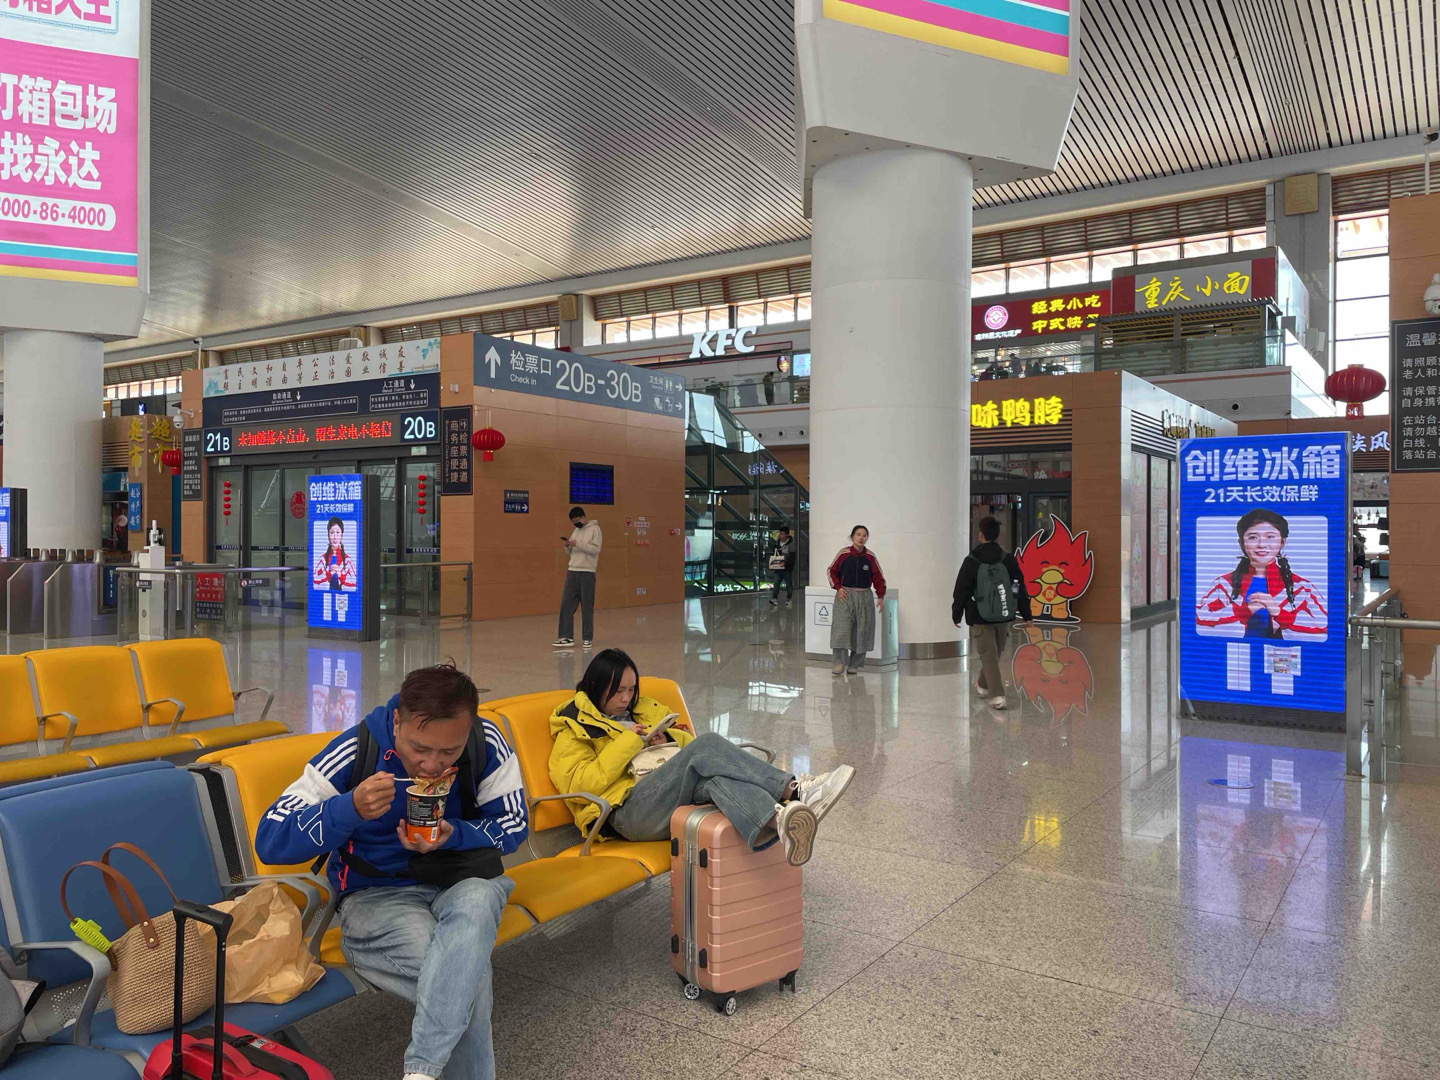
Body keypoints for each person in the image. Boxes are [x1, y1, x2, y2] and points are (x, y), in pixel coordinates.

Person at [256, 664, 527, 1080]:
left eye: (449, 752)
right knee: (467, 982)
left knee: (480, 899)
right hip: (377, 893)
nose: (432, 765)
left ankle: (420, 1072)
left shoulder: (485, 742)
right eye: (420, 748)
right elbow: (271, 838)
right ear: (397, 722)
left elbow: (514, 825)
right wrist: (347, 808)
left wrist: (455, 835)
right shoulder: (357, 749)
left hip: (461, 878)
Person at [548, 649, 854, 867]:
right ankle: (796, 790)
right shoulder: (574, 726)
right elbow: (581, 785)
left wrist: (667, 738)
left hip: (664, 794)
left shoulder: (641, 710)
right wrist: (630, 743)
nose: (626, 698)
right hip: (624, 814)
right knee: (707, 745)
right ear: (596, 687)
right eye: (618, 691)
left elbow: (688, 745)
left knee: (715, 779)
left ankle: (782, 824)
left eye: (631, 689)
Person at [1196, 508, 1327, 638]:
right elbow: (1198, 622)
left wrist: (1279, 613)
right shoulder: (1223, 585)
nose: (1261, 544)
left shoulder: (1302, 588)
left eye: (1270, 537)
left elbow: (1325, 627)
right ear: (1242, 543)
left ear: (1282, 542)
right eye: (1253, 537)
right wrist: (1244, 611)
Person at [952, 516, 1033, 710]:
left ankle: (987, 688)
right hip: (1004, 613)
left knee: (990, 655)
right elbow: (1017, 586)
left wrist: (957, 613)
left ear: (980, 535)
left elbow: (962, 589)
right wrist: (1024, 611)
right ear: (998, 535)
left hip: (979, 614)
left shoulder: (971, 561)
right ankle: (995, 693)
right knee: (992, 654)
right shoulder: (1008, 559)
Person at [826, 526, 886, 675]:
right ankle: (839, 663)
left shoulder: (870, 557)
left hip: (864, 596)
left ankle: (855, 664)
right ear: (852, 537)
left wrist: (880, 595)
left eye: (864, 535)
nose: (861, 538)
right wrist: (838, 588)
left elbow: (878, 577)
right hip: (844, 595)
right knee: (841, 629)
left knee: (862, 631)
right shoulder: (843, 554)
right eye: (858, 535)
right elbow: (831, 571)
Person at [554, 506, 602, 649]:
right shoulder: (575, 531)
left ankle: (587, 638)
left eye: (578, 520)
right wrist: (567, 546)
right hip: (572, 571)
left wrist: (579, 544)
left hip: (587, 572)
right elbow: (571, 552)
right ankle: (566, 637)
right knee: (566, 604)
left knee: (587, 606)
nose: (576, 524)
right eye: (573, 522)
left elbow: (595, 549)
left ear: (583, 517)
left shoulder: (595, 529)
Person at [312, 516, 356, 591]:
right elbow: (315, 580)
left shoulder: (347, 560)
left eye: (338, 532)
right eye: (332, 532)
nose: (335, 537)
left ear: (342, 535)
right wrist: (328, 574)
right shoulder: (322, 559)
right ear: (328, 535)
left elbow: (354, 582)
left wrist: (341, 575)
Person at [768, 525, 796, 607]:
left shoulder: (791, 544)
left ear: (787, 535)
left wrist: (786, 563)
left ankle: (789, 598)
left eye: (782, 534)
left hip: (787, 569)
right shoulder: (777, 542)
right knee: (776, 583)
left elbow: (792, 557)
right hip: (778, 568)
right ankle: (774, 598)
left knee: (788, 585)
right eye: (780, 534)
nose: (781, 536)